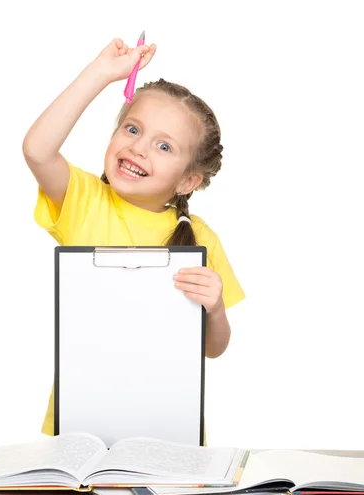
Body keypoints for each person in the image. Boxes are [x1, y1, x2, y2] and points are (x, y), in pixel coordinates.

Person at [23, 37, 245, 437]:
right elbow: (38, 150)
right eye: (132, 129)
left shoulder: (199, 238)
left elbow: (213, 348)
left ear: (189, 179)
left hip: (170, 431)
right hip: (78, 429)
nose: (138, 148)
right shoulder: (85, 200)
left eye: (163, 145)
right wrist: (102, 73)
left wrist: (215, 309)